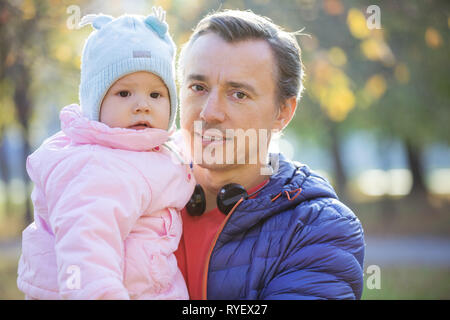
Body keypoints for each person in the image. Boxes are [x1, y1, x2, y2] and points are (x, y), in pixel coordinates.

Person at [174, 9, 365, 299]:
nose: (209, 112)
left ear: (283, 112)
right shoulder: (130, 197)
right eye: (198, 87)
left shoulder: (320, 229)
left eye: (238, 94)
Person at [17, 8, 195, 299]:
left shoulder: (150, 153)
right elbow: (86, 248)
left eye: (156, 94)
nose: (142, 105)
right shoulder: (97, 167)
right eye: (124, 93)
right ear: (95, 103)